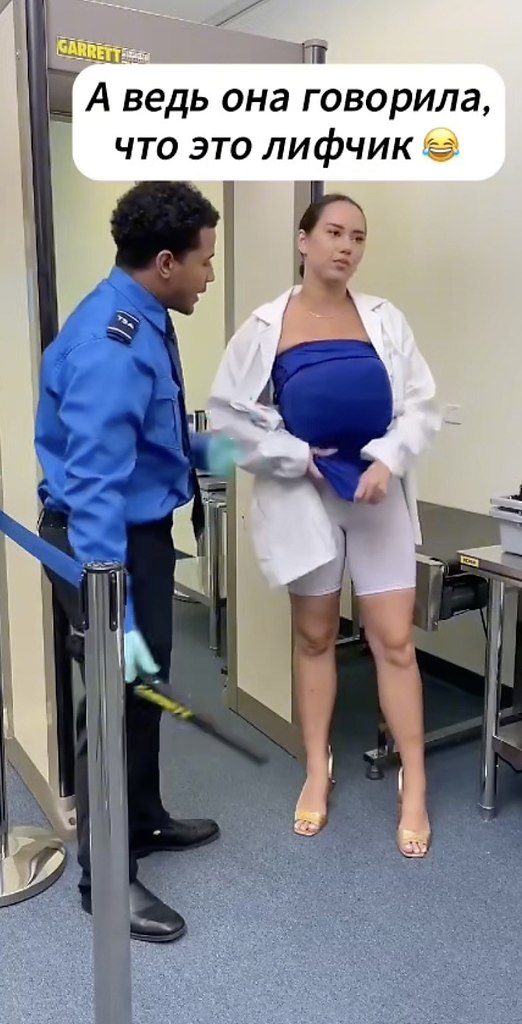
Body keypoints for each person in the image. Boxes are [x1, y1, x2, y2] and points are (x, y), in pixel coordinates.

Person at [208, 193, 441, 857]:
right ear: (304, 240)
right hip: (304, 497)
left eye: (358, 237)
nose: (346, 247)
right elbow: (227, 417)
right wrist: (295, 457)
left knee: (395, 641)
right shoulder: (265, 325)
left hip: (375, 495)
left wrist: (389, 460)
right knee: (314, 638)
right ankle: (317, 768)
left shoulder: (385, 319)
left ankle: (415, 784)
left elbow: (421, 406)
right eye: (334, 232)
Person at [35, 181, 237, 943]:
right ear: (166, 262)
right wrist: (107, 606)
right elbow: (94, 488)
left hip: (139, 536)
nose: (209, 275)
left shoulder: (145, 319)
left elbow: (155, 443)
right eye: (205, 261)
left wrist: (246, 452)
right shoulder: (111, 344)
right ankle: (107, 879)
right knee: (114, 706)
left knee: (142, 689)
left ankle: (144, 819)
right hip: (102, 546)